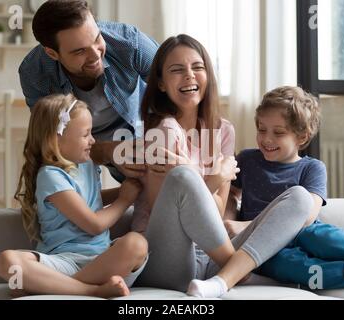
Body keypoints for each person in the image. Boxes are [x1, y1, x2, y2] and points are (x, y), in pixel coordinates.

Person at [131, 34, 315, 299]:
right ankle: (241, 272)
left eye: (197, 67)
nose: (189, 76)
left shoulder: (223, 131)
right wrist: (216, 177)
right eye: (176, 70)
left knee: (299, 197)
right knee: (182, 177)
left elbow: (214, 214)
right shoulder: (161, 132)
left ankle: (224, 278)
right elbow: (169, 207)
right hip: (164, 257)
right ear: (160, 83)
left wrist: (208, 182)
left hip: (210, 256)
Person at [224, 86, 344, 289]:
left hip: (304, 232)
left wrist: (246, 225)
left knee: (324, 237)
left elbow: (308, 215)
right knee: (298, 267)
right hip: (264, 247)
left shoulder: (312, 167)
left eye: (278, 132)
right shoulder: (247, 159)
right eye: (261, 129)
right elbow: (232, 194)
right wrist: (229, 221)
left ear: (301, 137)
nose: (267, 139)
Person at [0, 94, 148, 298]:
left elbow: (86, 203)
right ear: (56, 140)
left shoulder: (85, 164)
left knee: (137, 244)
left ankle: (55, 287)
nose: (92, 140)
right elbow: (94, 224)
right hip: (61, 263)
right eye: (86, 135)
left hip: (102, 262)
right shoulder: (50, 175)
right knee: (8, 262)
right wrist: (124, 200)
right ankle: (91, 290)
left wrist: (122, 191)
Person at [19, 0, 159, 180]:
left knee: (155, 190)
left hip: (139, 134)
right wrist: (107, 150)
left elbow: (172, 91)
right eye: (79, 51)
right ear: (52, 53)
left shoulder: (131, 43)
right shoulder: (34, 74)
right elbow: (53, 143)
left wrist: (165, 137)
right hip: (76, 148)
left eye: (97, 39)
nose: (95, 55)